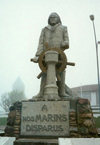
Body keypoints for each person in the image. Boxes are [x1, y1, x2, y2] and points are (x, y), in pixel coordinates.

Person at [33, 12, 72, 98]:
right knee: (44, 72)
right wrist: (38, 55)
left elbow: (67, 41)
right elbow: (41, 43)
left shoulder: (63, 28)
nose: (53, 18)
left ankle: (62, 92)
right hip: (46, 54)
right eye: (51, 17)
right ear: (48, 19)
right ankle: (41, 92)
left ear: (58, 18)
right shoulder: (44, 29)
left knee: (61, 70)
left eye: (54, 17)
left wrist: (65, 43)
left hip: (59, 54)